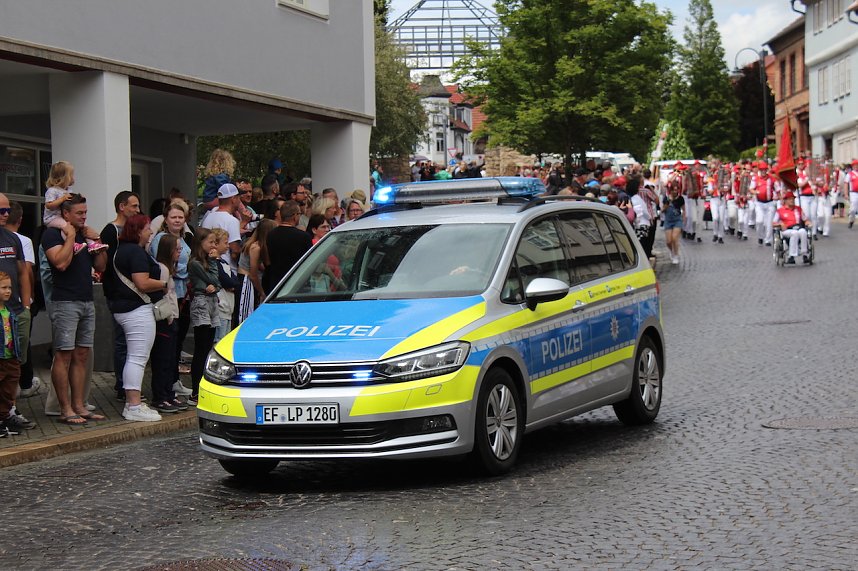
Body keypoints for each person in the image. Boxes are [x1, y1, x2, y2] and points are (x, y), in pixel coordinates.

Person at [42, 194, 108, 425]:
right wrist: (70, 237)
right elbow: (60, 263)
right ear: (65, 214)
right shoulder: (52, 234)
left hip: (86, 300)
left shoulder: (85, 234)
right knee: (64, 355)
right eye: (79, 213)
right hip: (65, 302)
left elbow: (101, 266)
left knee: (82, 354)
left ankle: (79, 404)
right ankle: (65, 408)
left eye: (85, 212)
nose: (84, 216)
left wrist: (97, 239)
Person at [112, 214, 166, 422]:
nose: (150, 232)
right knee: (137, 358)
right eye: (146, 229)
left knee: (134, 357)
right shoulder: (135, 252)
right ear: (138, 231)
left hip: (125, 308)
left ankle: (132, 403)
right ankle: (134, 405)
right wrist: (163, 283)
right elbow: (142, 283)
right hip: (136, 309)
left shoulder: (121, 250)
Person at [100, 190, 142, 401]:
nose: (137, 210)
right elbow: (107, 264)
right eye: (134, 206)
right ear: (122, 207)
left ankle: (132, 384)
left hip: (135, 293)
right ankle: (121, 386)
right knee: (122, 341)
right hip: (118, 292)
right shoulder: (110, 231)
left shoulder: (134, 230)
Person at [149, 202, 194, 395]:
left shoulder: (184, 239)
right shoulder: (161, 239)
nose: (177, 220)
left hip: (184, 294)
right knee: (168, 342)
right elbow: (165, 264)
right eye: (173, 217)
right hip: (169, 294)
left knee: (179, 340)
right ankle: (166, 385)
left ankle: (174, 380)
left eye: (180, 217)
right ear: (166, 220)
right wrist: (188, 270)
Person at [1, 199, 38, 400]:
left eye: (7, 210)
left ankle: (10, 409)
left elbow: (24, 272)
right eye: (1, 210)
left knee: (14, 363)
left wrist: (25, 305)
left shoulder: (12, 239)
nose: (6, 214)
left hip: (15, 311)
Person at [149, 233, 186, 413]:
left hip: (172, 316)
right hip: (166, 318)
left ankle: (168, 393)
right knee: (163, 359)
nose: (179, 252)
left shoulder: (169, 268)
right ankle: (160, 396)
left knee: (171, 358)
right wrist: (170, 316)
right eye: (177, 249)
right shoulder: (162, 269)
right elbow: (163, 295)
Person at [42, 161, 106, 254]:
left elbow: (71, 201)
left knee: (85, 227)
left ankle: (91, 244)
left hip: (62, 217)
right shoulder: (52, 191)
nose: (73, 178)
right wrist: (62, 199)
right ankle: (73, 245)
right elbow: (49, 205)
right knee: (66, 228)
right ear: (64, 177)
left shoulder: (68, 190)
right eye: (71, 175)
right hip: (53, 218)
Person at [188, 227, 221, 404]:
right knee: (201, 349)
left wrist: (215, 287)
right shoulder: (195, 263)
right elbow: (214, 279)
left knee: (209, 347)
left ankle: (205, 387)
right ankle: (195, 390)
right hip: (201, 303)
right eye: (211, 242)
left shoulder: (208, 261)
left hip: (212, 301)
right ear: (201, 243)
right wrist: (214, 263)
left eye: (216, 242)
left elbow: (218, 283)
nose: (214, 246)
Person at [0, 271, 33, 436]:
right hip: (1, 358)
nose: (8, 291)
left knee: (9, 389)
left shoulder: (10, 312)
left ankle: (4, 418)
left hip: (10, 357)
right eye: (3, 288)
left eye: (10, 288)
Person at [262, 200, 313, 294]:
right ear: (294, 216)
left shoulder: (271, 235)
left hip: (277, 284)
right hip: (298, 285)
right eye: (299, 214)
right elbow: (310, 261)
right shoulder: (303, 237)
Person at [237, 219, 276, 323]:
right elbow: (253, 274)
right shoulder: (255, 247)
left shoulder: (256, 245)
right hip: (246, 281)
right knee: (246, 315)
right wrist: (262, 292)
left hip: (249, 281)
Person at [201, 183, 242, 276]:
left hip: (208, 268)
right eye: (238, 198)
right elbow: (234, 251)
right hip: (226, 271)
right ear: (233, 199)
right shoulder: (232, 220)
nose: (239, 201)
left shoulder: (208, 216)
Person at [774, 191, 811, 264]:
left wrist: (808, 223)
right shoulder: (780, 210)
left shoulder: (798, 209)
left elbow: (805, 219)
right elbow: (773, 223)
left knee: (803, 231)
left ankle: (805, 254)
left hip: (798, 227)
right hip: (786, 230)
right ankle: (791, 256)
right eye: (790, 199)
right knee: (794, 233)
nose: (792, 201)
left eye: (793, 199)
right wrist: (780, 224)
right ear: (785, 200)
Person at [200, 149, 235, 213]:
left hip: (207, 200)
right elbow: (225, 190)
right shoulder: (221, 176)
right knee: (234, 201)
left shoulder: (212, 175)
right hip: (213, 200)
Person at [662, 181, 685, 265]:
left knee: (675, 238)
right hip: (668, 221)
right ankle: (671, 251)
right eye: (673, 190)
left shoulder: (680, 198)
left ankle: (676, 255)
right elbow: (663, 210)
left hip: (677, 220)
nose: (675, 192)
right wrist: (666, 206)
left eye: (677, 190)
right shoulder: (666, 198)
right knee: (668, 241)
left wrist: (684, 218)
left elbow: (684, 209)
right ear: (670, 190)